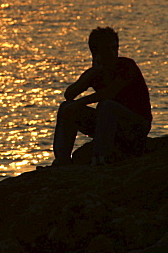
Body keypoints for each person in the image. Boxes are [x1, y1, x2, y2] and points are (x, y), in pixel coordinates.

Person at [52, 27, 152, 166]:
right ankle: (62, 159)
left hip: (135, 126)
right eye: (107, 49)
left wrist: (79, 103)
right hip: (108, 125)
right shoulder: (96, 72)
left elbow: (109, 93)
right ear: (96, 52)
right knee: (66, 107)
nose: (113, 53)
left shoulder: (127, 66)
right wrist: (93, 72)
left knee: (106, 106)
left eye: (115, 48)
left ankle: (101, 159)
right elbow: (69, 94)